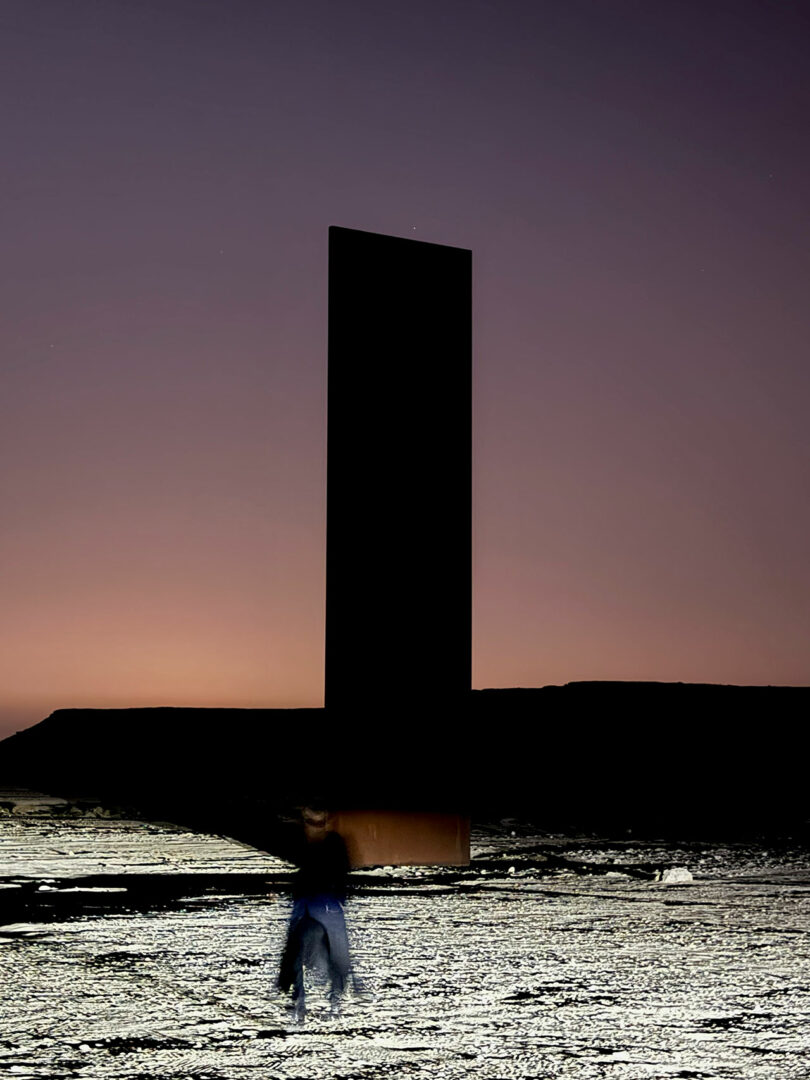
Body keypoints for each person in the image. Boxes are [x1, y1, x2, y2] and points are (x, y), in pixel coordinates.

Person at [277, 807, 352, 1021]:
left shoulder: (332, 843)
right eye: (311, 822)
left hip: (324, 903)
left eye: (318, 822)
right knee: (296, 951)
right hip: (310, 903)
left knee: (336, 955)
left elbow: (341, 874)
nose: (314, 827)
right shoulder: (304, 842)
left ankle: (333, 1000)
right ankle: (297, 999)